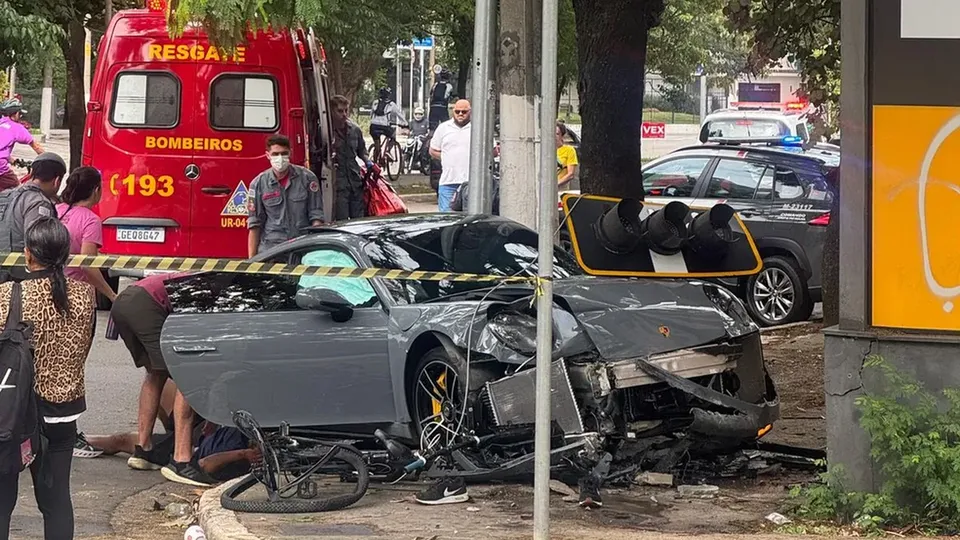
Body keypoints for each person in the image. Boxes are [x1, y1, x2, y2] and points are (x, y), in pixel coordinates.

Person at [0, 216, 96, 540]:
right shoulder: (85, 295)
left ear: (27, 254)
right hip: (62, 413)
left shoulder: (7, 295)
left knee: (1, 502)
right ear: (67, 255)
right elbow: (83, 348)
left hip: (12, 414)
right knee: (56, 503)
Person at [111, 271, 217, 487]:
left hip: (125, 302)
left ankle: (143, 449)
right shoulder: (216, 286)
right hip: (147, 306)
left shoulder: (203, 273)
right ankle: (181, 459)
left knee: (155, 373)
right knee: (187, 373)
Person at [246, 135, 325, 258]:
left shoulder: (308, 178)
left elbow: (316, 217)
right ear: (268, 155)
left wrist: (317, 251)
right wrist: (252, 261)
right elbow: (254, 225)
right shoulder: (258, 184)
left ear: (290, 153)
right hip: (272, 250)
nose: (280, 158)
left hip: (301, 246)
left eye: (284, 153)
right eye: (275, 154)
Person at [0, 152, 66, 283]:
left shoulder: (5, 195)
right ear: (57, 181)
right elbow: (39, 244)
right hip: (20, 279)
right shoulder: (39, 202)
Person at [56, 167, 118, 304]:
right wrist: (112, 295)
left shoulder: (55, 210)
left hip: (50, 288)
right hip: (77, 295)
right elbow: (87, 265)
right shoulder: (91, 220)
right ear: (96, 190)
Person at [329, 95, 372, 220]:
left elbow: (362, 150)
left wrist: (368, 161)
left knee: (358, 220)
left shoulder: (355, 130)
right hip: (338, 184)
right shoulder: (327, 131)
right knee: (342, 221)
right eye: (340, 111)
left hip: (355, 182)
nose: (344, 114)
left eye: (346, 110)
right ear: (332, 111)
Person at [429, 99, 472, 212]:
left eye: (464, 111)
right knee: (447, 220)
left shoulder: (478, 128)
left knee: (471, 219)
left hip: (471, 183)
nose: (460, 114)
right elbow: (433, 150)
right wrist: (446, 157)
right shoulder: (443, 128)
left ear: (470, 112)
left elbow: (492, 151)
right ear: (453, 112)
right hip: (448, 183)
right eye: (457, 111)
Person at [0, 98, 44, 191]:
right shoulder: (17, 128)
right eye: (19, 113)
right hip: (1, 168)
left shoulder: (1, 123)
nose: (20, 116)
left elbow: (2, 149)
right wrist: (48, 158)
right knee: (16, 190)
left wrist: (14, 161)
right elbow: (36, 146)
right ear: (15, 113)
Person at [369, 88, 408, 160]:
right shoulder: (391, 104)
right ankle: (388, 151)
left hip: (373, 126)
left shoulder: (375, 102)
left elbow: (371, 114)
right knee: (392, 136)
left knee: (377, 143)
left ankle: (375, 160)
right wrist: (405, 123)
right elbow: (399, 114)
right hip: (384, 126)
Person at [556, 123, 579, 190]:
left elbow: (570, 174)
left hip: (561, 190)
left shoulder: (569, 150)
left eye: (557, 134)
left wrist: (555, 185)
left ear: (562, 136)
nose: (554, 136)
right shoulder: (544, 150)